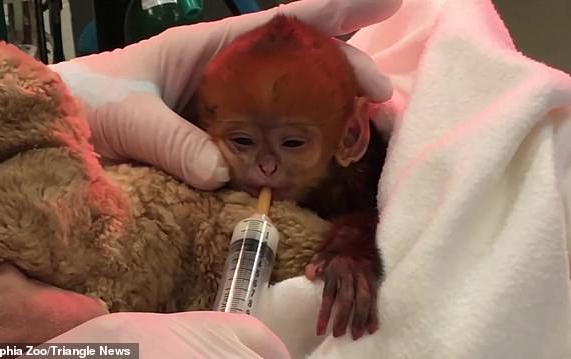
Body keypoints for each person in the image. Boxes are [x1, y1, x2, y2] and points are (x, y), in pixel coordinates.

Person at [43, 0, 401, 357]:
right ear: (206, 124)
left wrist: (354, 248)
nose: (266, 167)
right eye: (242, 141)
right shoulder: (187, 144)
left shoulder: (363, 167)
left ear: (351, 136)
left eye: (292, 142)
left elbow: (383, 211)